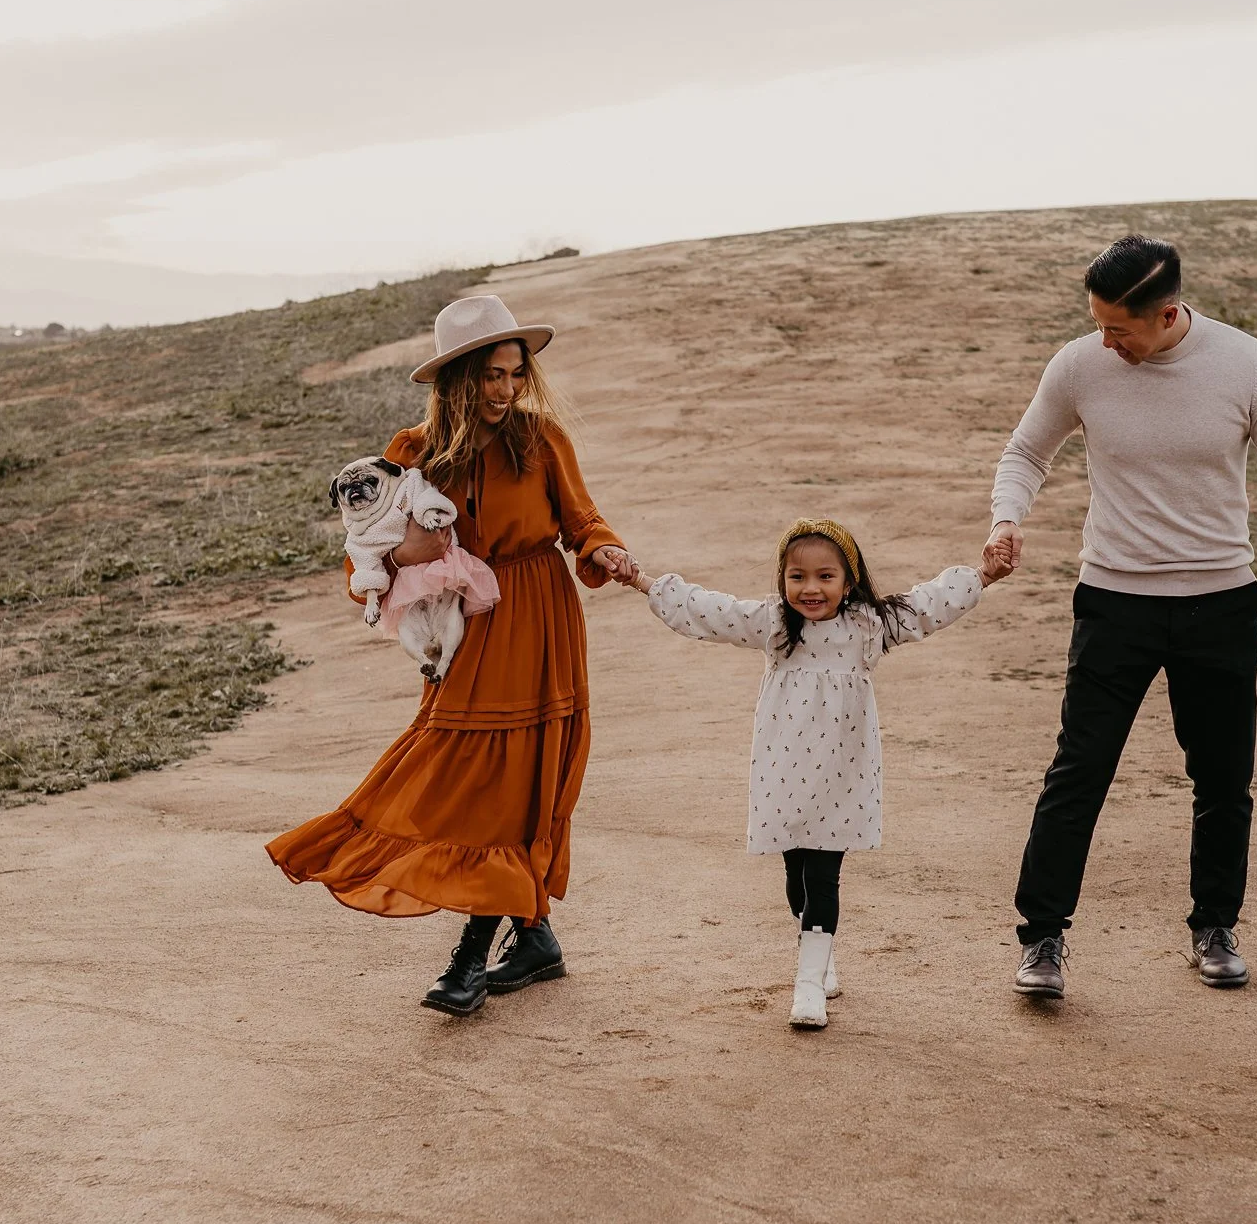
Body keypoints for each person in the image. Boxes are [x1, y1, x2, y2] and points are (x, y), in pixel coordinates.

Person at [986, 236, 1257, 1000]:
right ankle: (1041, 938)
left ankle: (1214, 926)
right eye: (1097, 324)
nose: (1105, 342)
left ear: (1169, 314)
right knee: (1078, 772)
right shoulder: (1079, 365)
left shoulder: (1247, 365)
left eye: (1120, 329)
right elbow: (1025, 451)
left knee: (1223, 778)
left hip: (1220, 605)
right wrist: (1006, 518)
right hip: (1113, 603)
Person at [267, 294, 637, 1018]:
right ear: (456, 380)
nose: (505, 390)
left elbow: (580, 520)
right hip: (472, 625)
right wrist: (405, 551)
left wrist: (604, 549)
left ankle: (477, 952)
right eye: (490, 376)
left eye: (513, 374)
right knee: (467, 772)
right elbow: (363, 545)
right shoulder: (411, 454)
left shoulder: (541, 437)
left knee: (527, 773)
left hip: (540, 612)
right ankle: (531, 934)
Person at [625, 519, 1009, 1028]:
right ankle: (820, 954)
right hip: (784, 770)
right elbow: (710, 611)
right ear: (782, 581)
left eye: (826, 577)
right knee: (795, 877)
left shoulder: (870, 625)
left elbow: (928, 606)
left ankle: (808, 987)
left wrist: (982, 575)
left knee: (825, 876)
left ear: (848, 582)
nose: (811, 589)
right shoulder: (775, 625)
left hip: (842, 773)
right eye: (797, 577)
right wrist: (643, 581)